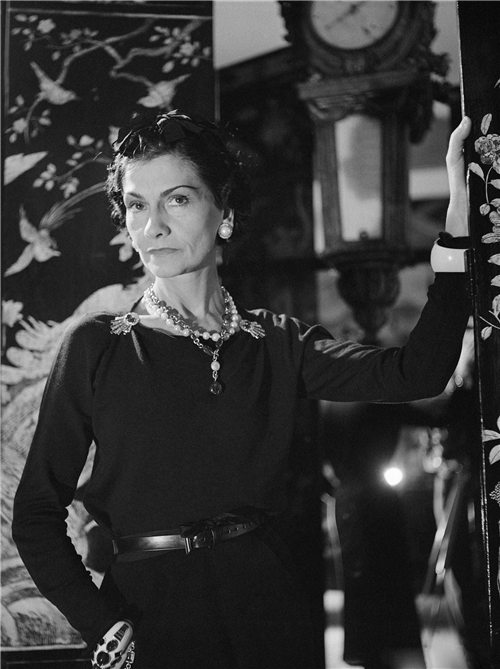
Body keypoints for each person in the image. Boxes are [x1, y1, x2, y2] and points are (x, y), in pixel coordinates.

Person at [12, 110, 472, 669]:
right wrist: (100, 623)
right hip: (150, 617)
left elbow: (415, 374)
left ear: (224, 215)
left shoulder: (278, 342)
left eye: (177, 199)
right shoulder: (98, 345)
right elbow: (35, 513)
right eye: (136, 205)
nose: (153, 225)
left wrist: (456, 235)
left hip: (269, 614)